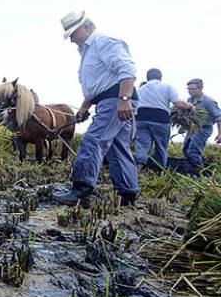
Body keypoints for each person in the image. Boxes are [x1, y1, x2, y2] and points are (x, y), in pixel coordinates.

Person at [54, 11, 139, 207]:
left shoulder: (103, 42)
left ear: (87, 27)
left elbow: (127, 69)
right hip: (109, 100)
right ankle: (128, 192)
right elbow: (97, 85)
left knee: (93, 140)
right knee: (117, 148)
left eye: (73, 34)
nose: (71, 39)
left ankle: (81, 190)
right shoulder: (86, 51)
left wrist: (124, 99)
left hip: (116, 99)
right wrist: (85, 107)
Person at [135, 68, 192, 171]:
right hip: (160, 120)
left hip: (141, 119)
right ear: (160, 77)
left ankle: (137, 170)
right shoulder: (167, 87)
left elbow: (133, 106)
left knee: (142, 145)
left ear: (147, 78)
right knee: (161, 146)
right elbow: (178, 104)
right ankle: (161, 171)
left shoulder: (140, 90)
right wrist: (190, 106)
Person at [183, 78, 221, 173]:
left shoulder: (208, 101)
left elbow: (219, 117)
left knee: (193, 151)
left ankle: (199, 172)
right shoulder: (189, 100)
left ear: (200, 89)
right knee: (185, 150)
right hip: (193, 129)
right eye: (188, 89)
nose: (190, 91)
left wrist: (220, 134)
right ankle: (196, 166)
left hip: (204, 129)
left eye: (192, 89)